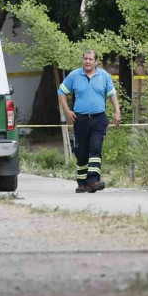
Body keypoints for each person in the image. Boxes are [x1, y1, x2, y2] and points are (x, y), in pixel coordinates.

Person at [57, 50, 121, 193]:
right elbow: (61, 91)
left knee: (95, 148)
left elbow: (112, 94)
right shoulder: (74, 75)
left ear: (96, 62)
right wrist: (67, 111)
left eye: (90, 59)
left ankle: (93, 181)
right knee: (82, 151)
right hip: (80, 119)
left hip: (99, 118)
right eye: (85, 59)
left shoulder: (104, 76)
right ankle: (82, 183)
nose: (87, 61)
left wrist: (117, 111)